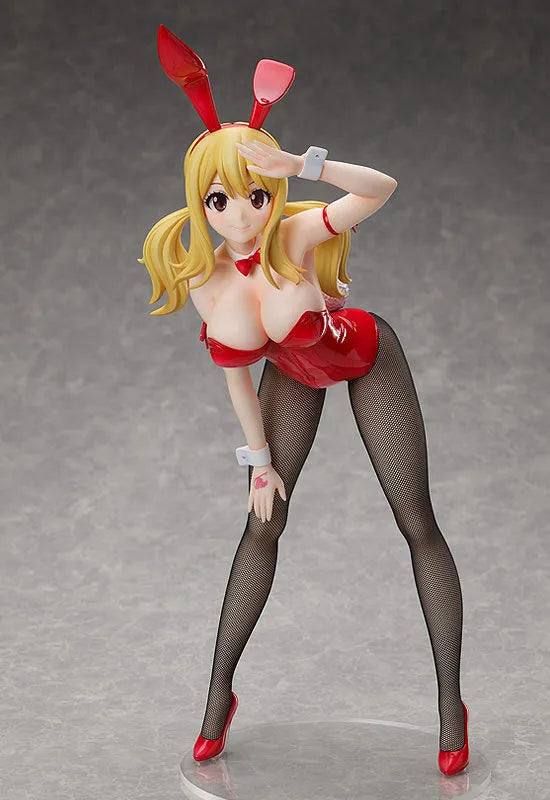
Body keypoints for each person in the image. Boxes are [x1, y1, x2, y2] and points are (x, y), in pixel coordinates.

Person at [138, 25, 470, 776]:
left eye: (256, 196)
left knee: (415, 521)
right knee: (262, 522)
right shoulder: (205, 279)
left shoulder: (293, 236)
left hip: (365, 357)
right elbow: (234, 373)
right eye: (220, 199)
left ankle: (451, 703)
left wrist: (302, 165)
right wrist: (258, 462)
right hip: (292, 374)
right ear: (200, 201)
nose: (240, 214)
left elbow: (380, 189)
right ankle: (217, 698)